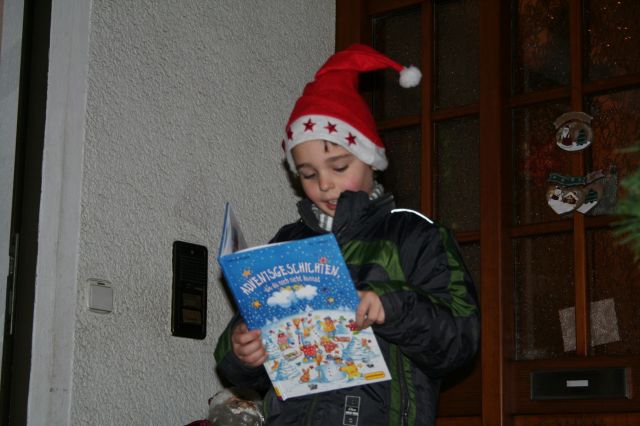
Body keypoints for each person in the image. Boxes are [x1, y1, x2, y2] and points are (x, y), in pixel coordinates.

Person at [214, 44, 480, 426]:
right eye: (308, 174)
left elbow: (460, 339)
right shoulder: (287, 242)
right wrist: (242, 351)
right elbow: (241, 360)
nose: (324, 184)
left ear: (371, 159)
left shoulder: (414, 235)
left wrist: (391, 306)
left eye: (338, 167)